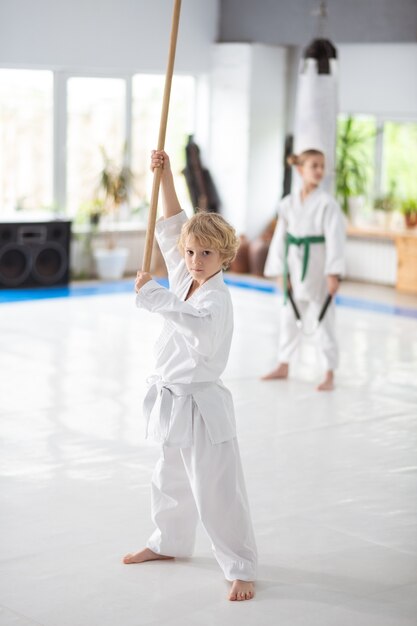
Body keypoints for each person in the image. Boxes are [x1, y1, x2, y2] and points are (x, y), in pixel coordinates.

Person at [123, 150, 257, 601]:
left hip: (203, 405)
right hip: (172, 398)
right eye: (190, 251)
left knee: (216, 491)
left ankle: (240, 567)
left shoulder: (215, 299)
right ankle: (168, 542)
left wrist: (156, 298)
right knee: (169, 477)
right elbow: (173, 223)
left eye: (206, 253)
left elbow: (197, 331)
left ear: (224, 256)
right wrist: (163, 177)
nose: (195, 259)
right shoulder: (185, 276)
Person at [262, 149, 345, 391]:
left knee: (325, 319)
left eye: (322, 166)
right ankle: (283, 363)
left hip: (319, 267)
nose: (320, 171)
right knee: (289, 317)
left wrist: (334, 273)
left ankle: (329, 371)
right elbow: (280, 239)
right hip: (294, 266)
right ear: (301, 170)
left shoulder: (327, 204)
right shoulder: (287, 203)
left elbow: (335, 239)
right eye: (314, 166)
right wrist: (279, 272)